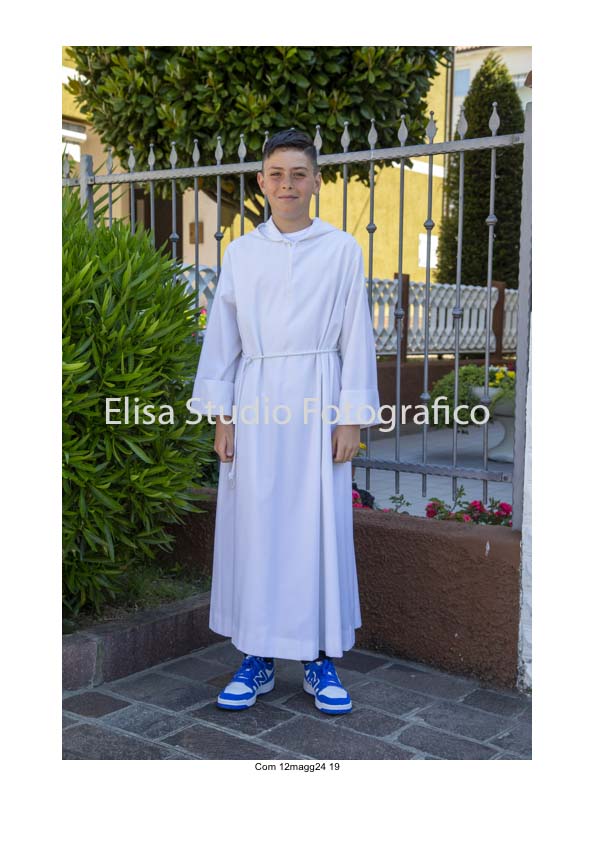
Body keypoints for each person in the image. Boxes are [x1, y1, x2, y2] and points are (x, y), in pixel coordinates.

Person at [190, 129, 380, 716]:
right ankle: (258, 656)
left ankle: (319, 660)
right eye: (277, 174)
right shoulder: (242, 254)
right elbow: (223, 340)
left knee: (316, 528)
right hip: (256, 402)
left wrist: (351, 418)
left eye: (299, 174)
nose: (287, 184)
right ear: (262, 181)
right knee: (257, 528)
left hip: (320, 399)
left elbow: (357, 335)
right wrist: (223, 417)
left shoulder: (341, 249)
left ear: (316, 181)